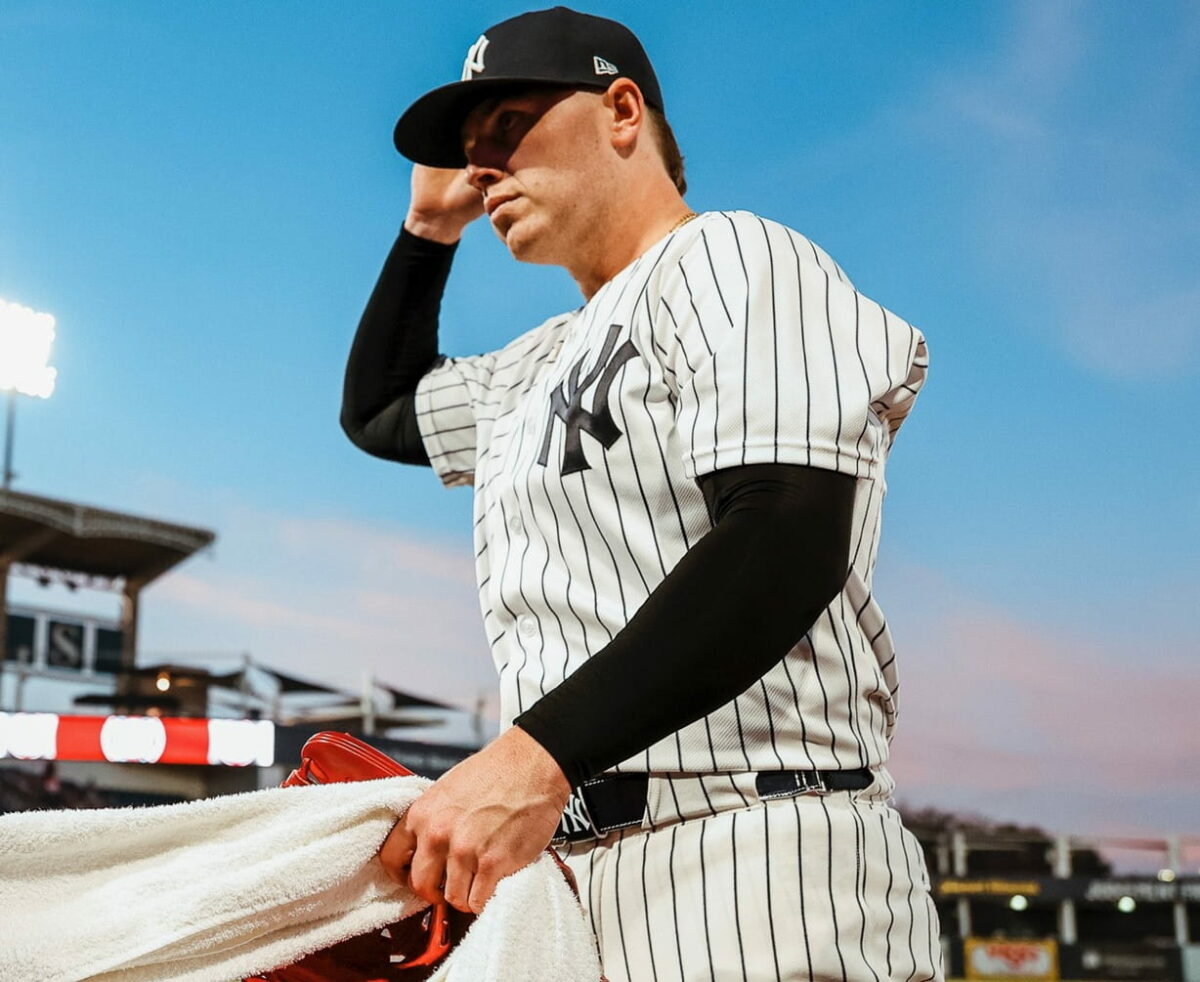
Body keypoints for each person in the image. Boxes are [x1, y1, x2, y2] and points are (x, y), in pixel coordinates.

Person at [341, 7, 942, 980]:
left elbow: (786, 528)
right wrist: (425, 230)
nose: (483, 164)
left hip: (755, 850)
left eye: (509, 127)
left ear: (622, 110)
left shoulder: (732, 256)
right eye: (468, 147)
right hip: (563, 872)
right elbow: (378, 411)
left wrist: (535, 755)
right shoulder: (535, 361)